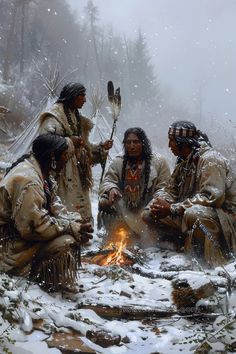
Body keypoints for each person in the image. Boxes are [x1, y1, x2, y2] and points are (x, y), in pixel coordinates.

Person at [0, 134, 93, 295]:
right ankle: (36, 279)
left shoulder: (41, 172)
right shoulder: (29, 180)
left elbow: (54, 207)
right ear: (52, 156)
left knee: (74, 233)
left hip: (19, 236)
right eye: (64, 155)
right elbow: (34, 227)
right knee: (67, 242)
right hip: (8, 247)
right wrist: (70, 227)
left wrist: (77, 222)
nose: (66, 159)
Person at [142, 120, 236, 267]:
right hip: (190, 211)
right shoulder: (185, 162)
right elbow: (171, 191)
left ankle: (213, 259)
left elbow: (212, 198)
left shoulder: (210, 159)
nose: (169, 145)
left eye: (172, 140)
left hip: (225, 218)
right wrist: (159, 204)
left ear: (183, 142)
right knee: (149, 213)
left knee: (194, 214)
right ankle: (175, 245)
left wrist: (172, 208)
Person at [39, 82, 113, 221]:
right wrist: (69, 141)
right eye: (82, 96)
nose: (85, 100)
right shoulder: (54, 117)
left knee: (80, 211)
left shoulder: (77, 118)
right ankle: (67, 235)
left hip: (78, 173)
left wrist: (101, 148)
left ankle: (80, 233)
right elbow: (44, 143)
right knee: (63, 210)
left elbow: (86, 148)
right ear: (72, 96)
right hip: (60, 174)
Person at [98, 127, 170, 247]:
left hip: (147, 210)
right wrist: (112, 188)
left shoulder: (159, 162)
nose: (132, 146)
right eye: (128, 142)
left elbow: (165, 188)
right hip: (124, 210)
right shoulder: (119, 162)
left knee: (158, 208)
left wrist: (153, 203)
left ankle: (152, 239)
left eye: (136, 142)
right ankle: (115, 232)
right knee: (104, 201)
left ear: (143, 143)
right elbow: (108, 180)